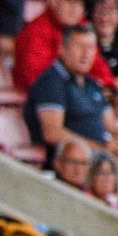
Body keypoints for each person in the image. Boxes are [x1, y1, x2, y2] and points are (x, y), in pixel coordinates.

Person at [24, 25, 118, 166]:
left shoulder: (92, 83)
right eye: (80, 46)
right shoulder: (51, 82)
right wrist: (100, 149)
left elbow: (111, 125)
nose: (86, 53)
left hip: (101, 160)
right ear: (62, 49)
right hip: (72, 163)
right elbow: (53, 133)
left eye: (91, 47)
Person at [14, 0, 117, 93]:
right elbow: (38, 80)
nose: (74, 8)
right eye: (69, 1)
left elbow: (99, 68)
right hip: (45, 101)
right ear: (54, 0)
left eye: (78, 3)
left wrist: (107, 87)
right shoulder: (36, 31)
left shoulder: (81, 27)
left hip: (78, 95)